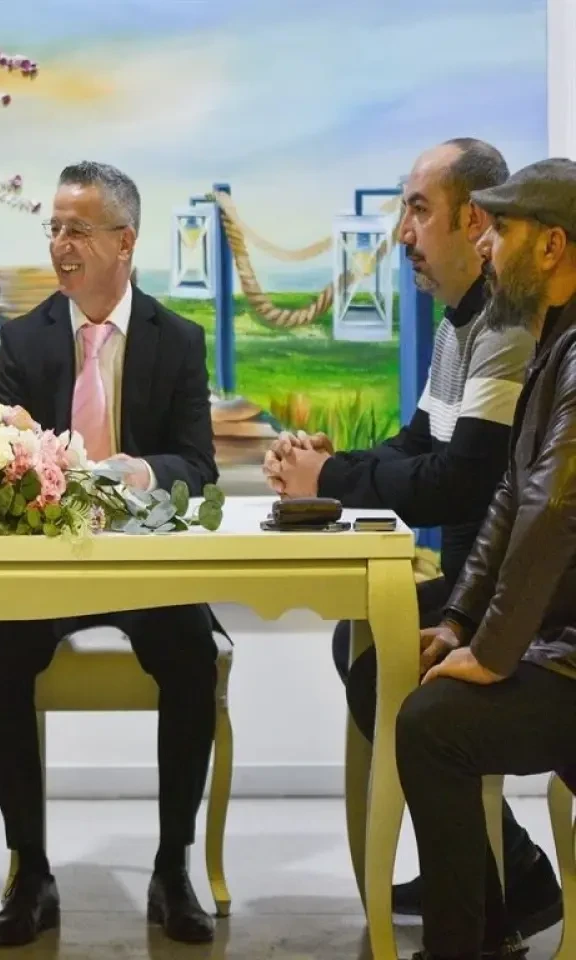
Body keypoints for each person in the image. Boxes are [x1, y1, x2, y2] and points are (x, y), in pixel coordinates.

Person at [263, 139, 561, 937]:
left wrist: (329, 479)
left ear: (478, 223)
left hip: (522, 604)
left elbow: (470, 483)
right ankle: (487, 867)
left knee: (384, 677)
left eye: (417, 211)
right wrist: (331, 466)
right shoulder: (468, 326)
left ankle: (503, 876)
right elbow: (426, 449)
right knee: (359, 646)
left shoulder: (512, 330)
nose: (403, 233)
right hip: (483, 588)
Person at [0, 161, 222, 948]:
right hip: (51, 564)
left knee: (192, 656)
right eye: (53, 228)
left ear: (125, 241)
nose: (60, 244)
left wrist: (137, 472)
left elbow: (199, 466)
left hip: (143, 565)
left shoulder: (177, 340)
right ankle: (30, 872)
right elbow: (2, 464)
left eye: (77, 229)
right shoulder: (26, 338)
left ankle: (172, 869)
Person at [396, 157, 576, 960]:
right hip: (555, 646)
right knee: (420, 690)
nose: (486, 243)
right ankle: (484, 925)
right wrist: (462, 622)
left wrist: (494, 652)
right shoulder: (554, 341)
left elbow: (553, 511)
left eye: (501, 228)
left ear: (553, 247)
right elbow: (511, 493)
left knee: (431, 726)